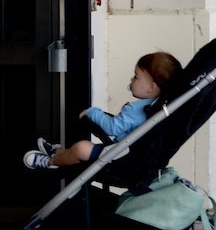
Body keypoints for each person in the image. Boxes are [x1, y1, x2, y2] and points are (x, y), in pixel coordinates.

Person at [23, 51, 182, 170]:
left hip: (121, 156)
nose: (131, 80)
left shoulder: (140, 110)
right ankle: (60, 153)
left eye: (136, 76)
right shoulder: (161, 108)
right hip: (133, 157)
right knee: (81, 149)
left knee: (81, 148)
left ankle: (51, 162)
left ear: (151, 87)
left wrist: (93, 112)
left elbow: (112, 127)